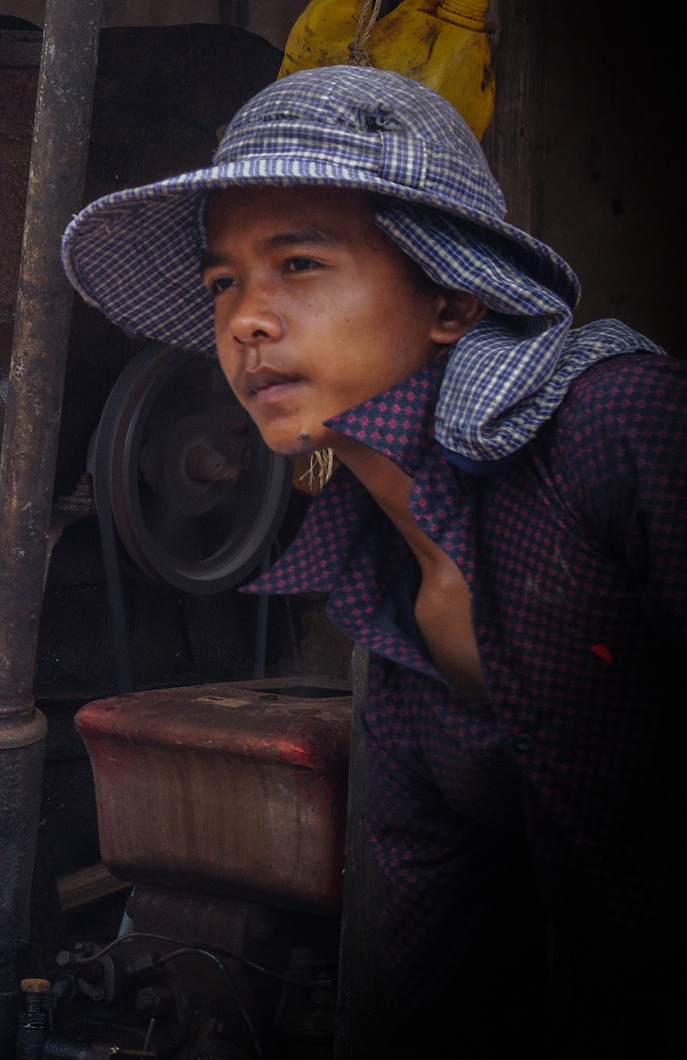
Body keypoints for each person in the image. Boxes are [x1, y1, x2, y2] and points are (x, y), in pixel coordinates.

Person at [59, 65, 685, 1054]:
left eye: (297, 265)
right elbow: (442, 953)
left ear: (449, 299)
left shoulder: (620, 424)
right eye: (222, 281)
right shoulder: (378, 592)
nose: (243, 320)